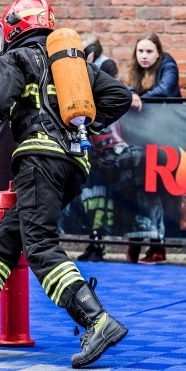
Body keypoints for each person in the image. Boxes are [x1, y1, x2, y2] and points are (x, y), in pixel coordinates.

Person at [0, 0, 132, 369]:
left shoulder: (17, 57)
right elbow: (120, 96)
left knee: (39, 244)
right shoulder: (71, 65)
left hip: (38, 160)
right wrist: (85, 122)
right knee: (7, 236)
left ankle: (97, 321)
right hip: (73, 164)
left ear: (14, 25)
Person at [122, 33, 181, 264]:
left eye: (149, 51)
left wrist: (139, 98)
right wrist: (131, 93)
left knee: (158, 192)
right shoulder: (134, 72)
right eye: (140, 51)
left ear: (158, 53)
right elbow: (121, 89)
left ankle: (158, 247)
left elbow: (166, 90)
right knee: (137, 189)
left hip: (166, 141)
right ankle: (135, 241)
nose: (144, 56)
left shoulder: (168, 65)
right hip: (141, 141)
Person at [75, 35, 120, 262]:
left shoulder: (106, 65)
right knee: (90, 193)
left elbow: (104, 94)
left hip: (104, 137)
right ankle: (92, 241)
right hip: (87, 138)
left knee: (101, 194)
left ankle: (99, 243)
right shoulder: (74, 67)